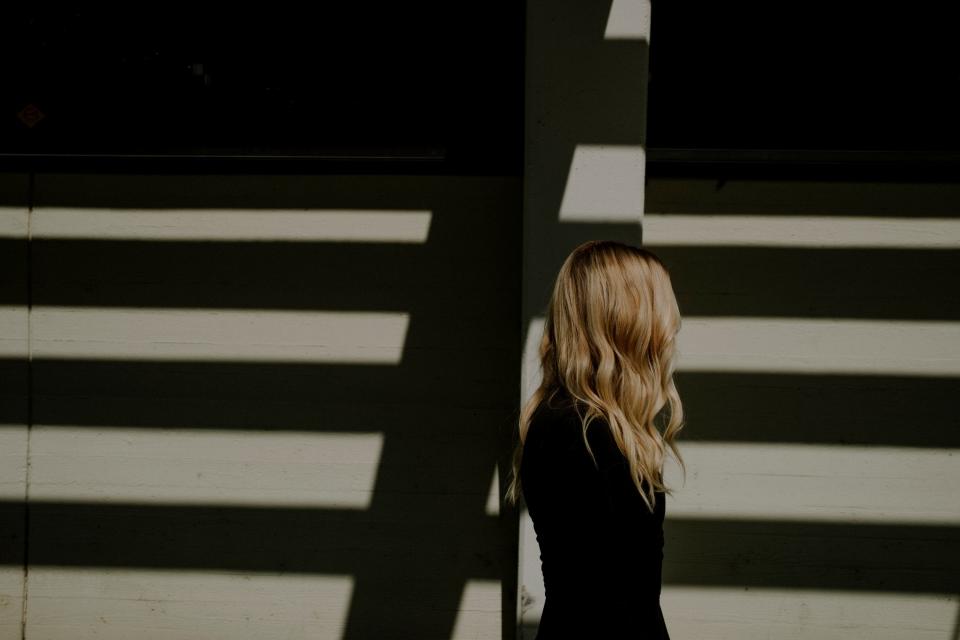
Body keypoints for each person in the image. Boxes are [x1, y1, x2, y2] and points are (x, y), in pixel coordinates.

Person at [505, 240, 686, 639]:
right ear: (627, 317)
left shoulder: (588, 424)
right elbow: (605, 601)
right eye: (661, 305)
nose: (672, 323)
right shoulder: (581, 432)